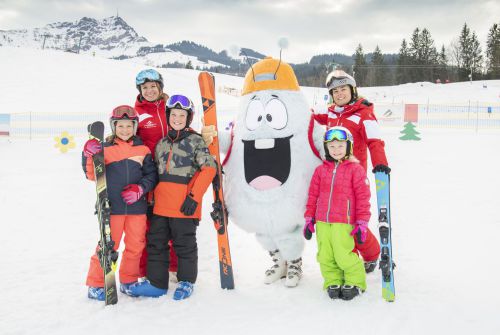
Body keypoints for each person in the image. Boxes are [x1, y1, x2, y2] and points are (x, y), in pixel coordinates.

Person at [129, 94, 217, 300]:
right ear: (168, 116)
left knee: (184, 244)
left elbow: (209, 169)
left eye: (182, 115)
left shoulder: (195, 141)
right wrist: (150, 200)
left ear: (188, 118)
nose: (177, 118)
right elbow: (156, 175)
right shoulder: (161, 144)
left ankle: (186, 282)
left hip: (184, 205)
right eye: (174, 114)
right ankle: (157, 283)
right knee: (156, 243)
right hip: (160, 205)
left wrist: (193, 198)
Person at [312, 69, 390, 273]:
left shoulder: (364, 113)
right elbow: (316, 118)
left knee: (355, 221)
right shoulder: (331, 113)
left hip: (355, 176)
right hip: (333, 176)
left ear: (352, 90)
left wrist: (380, 164)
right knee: (341, 222)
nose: (339, 94)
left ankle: (370, 255)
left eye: (343, 89)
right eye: (335, 91)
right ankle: (349, 257)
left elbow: (375, 141)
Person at [82, 105, 158, 301]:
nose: (125, 130)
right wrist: (89, 155)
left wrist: (141, 189)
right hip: (111, 209)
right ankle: (96, 284)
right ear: (113, 127)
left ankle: (128, 281)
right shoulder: (105, 149)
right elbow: (92, 175)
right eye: (120, 126)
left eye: (129, 126)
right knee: (107, 246)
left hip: (137, 209)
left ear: (135, 127)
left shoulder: (143, 149)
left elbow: (151, 176)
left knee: (135, 246)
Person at [303, 126, 370, 300]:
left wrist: (362, 223)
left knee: (343, 254)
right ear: (326, 148)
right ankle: (332, 280)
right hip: (323, 221)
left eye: (340, 146)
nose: (336, 150)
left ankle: (355, 281)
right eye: (332, 147)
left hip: (344, 221)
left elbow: (363, 198)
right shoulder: (320, 171)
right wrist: (309, 218)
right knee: (325, 254)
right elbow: (313, 195)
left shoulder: (356, 169)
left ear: (348, 147)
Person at [133, 68, 179, 280]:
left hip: (174, 171)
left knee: (173, 221)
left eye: (153, 86)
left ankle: (174, 267)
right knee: (148, 225)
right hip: (149, 174)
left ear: (160, 87)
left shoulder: (171, 108)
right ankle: (143, 271)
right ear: (140, 90)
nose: (149, 90)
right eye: (145, 87)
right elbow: (126, 136)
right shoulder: (137, 113)